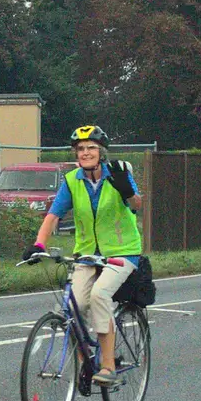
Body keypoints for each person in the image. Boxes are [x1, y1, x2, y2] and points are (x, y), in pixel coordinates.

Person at [22, 125, 143, 386]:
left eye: (91, 148)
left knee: (100, 295)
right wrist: (39, 245)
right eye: (80, 149)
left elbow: (136, 206)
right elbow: (53, 215)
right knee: (73, 306)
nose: (85, 152)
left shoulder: (119, 173)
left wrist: (128, 191)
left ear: (102, 152)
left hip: (122, 252)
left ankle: (108, 366)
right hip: (87, 254)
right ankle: (85, 361)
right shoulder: (72, 180)